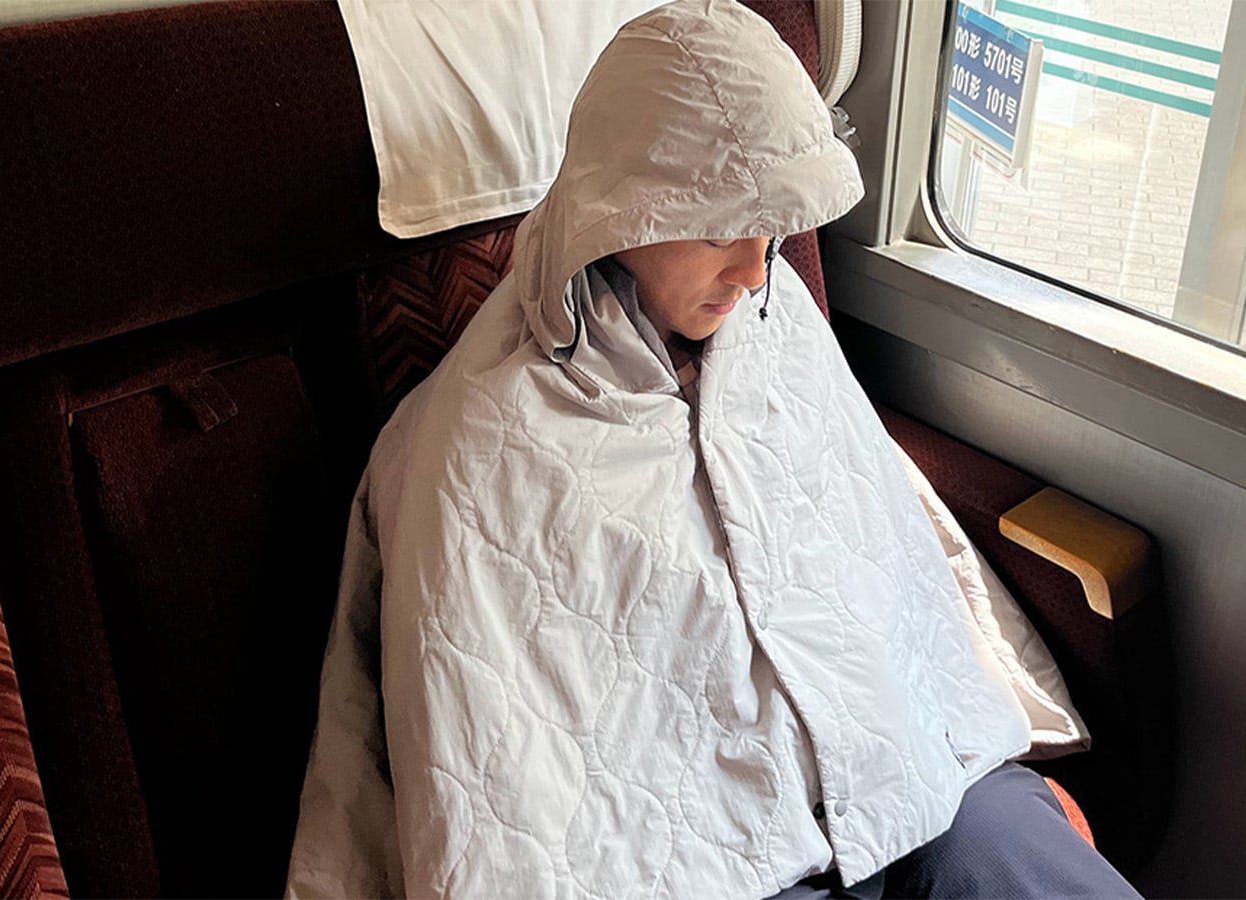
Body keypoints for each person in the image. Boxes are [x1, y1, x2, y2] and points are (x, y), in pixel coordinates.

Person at [286, 1, 1140, 897]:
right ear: (619, 209)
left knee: (1006, 846)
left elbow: (874, 562)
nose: (756, 268)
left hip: (893, 756)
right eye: (719, 231)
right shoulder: (474, 441)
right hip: (693, 849)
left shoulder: (777, 317)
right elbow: (506, 779)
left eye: (772, 227)